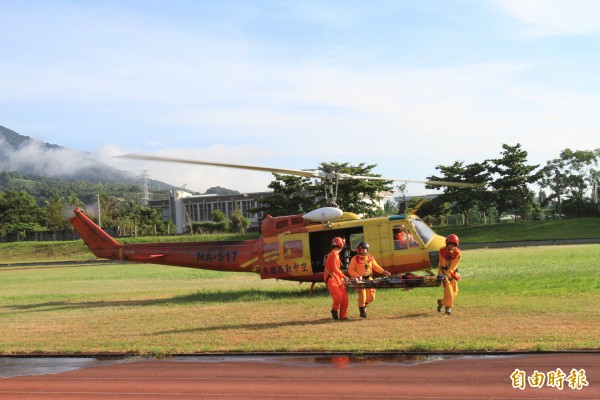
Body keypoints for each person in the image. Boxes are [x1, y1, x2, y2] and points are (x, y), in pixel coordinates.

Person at [348, 241, 391, 318]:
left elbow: (376, 266)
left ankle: (364, 306)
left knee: (371, 297)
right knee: (362, 296)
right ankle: (362, 312)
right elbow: (351, 270)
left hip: (369, 278)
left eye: (366, 249)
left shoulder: (370, 257)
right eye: (363, 249)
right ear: (359, 250)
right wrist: (358, 276)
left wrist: (383, 271)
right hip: (360, 280)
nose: (364, 250)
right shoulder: (355, 259)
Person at [324, 236, 349, 320]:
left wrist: (341, 277)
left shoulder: (335, 254)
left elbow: (336, 270)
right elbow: (335, 269)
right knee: (338, 296)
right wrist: (344, 276)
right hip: (331, 278)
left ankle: (343, 316)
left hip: (336, 278)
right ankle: (334, 310)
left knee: (344, 298)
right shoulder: (334, 254)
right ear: (341, 245)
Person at [437, 234, 462, 315]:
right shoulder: (441, 250)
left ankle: (441, 302)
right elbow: (440, 263)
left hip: (453, 274)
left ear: (456, 245)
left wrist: (447, 275)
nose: (451, 246)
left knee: (455, 292)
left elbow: (453, 266)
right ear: (447, 243)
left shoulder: (457, 253)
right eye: (450, 244)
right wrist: (440, 274)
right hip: (444, 274)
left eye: (453, 244)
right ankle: (448, 308)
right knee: (449, 292)